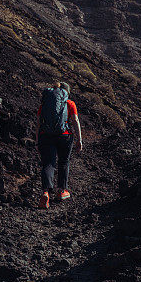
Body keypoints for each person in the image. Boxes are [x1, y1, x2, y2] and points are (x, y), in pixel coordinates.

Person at [36, 81, 83, 209]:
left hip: (46, 135)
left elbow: (39, 123)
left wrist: (38, 140)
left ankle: (45, 192)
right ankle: (62, 191)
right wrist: (79, 140)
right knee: (63, 162)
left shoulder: (46, 102)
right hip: (65, 136)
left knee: (48, 163)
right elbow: (75, 120)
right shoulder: (69, 103)